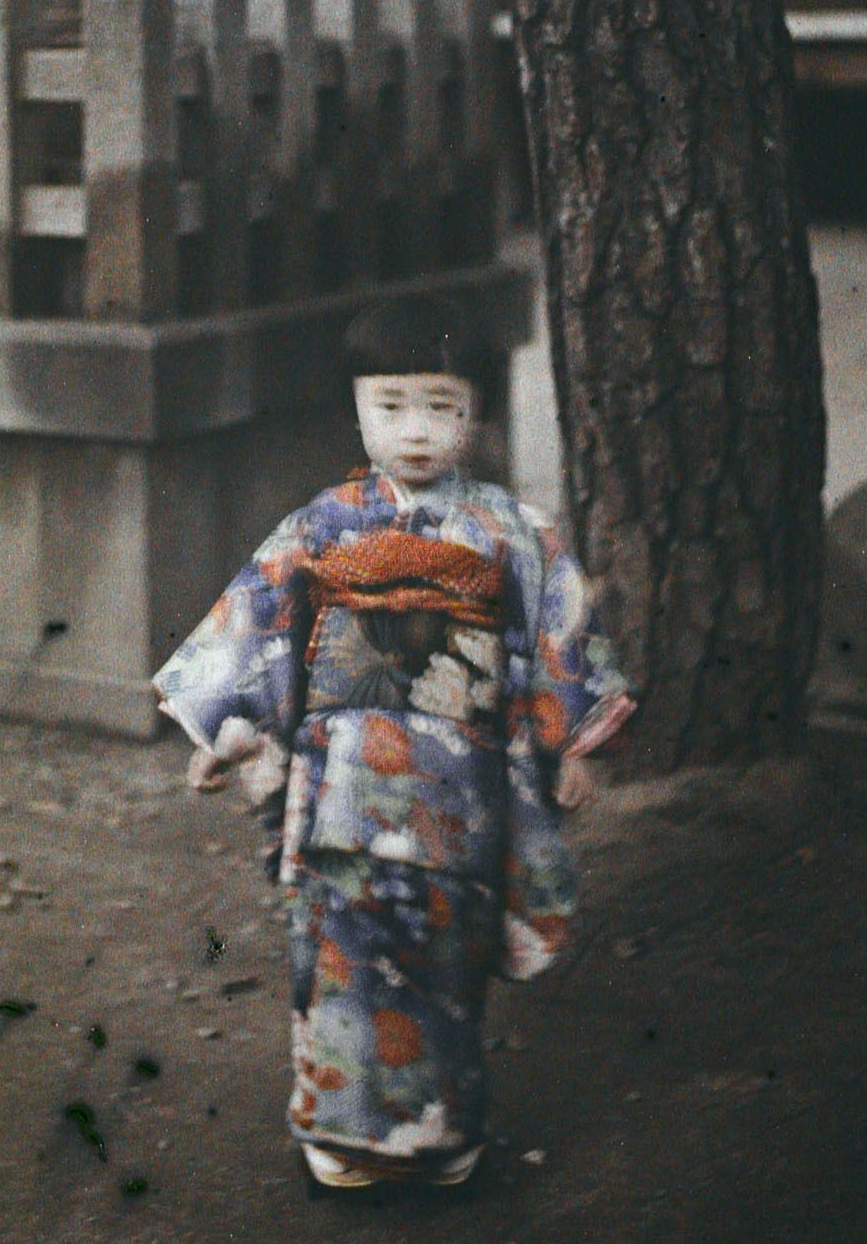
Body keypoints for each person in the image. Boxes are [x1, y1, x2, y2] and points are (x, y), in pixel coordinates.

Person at [152, 294, 635, 1191]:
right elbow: (260, 628)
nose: (415, 431)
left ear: (476, 413)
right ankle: (337, 1138)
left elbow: (554, 643)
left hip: (460, 783)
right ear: (358, 408)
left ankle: (439, 1132)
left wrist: (565, 746)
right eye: (391, 406)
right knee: (334, 943)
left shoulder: (511, 531)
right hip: (339, 776)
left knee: (445, 951)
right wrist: (231, 731)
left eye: (441, 407)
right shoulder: (320, 524)